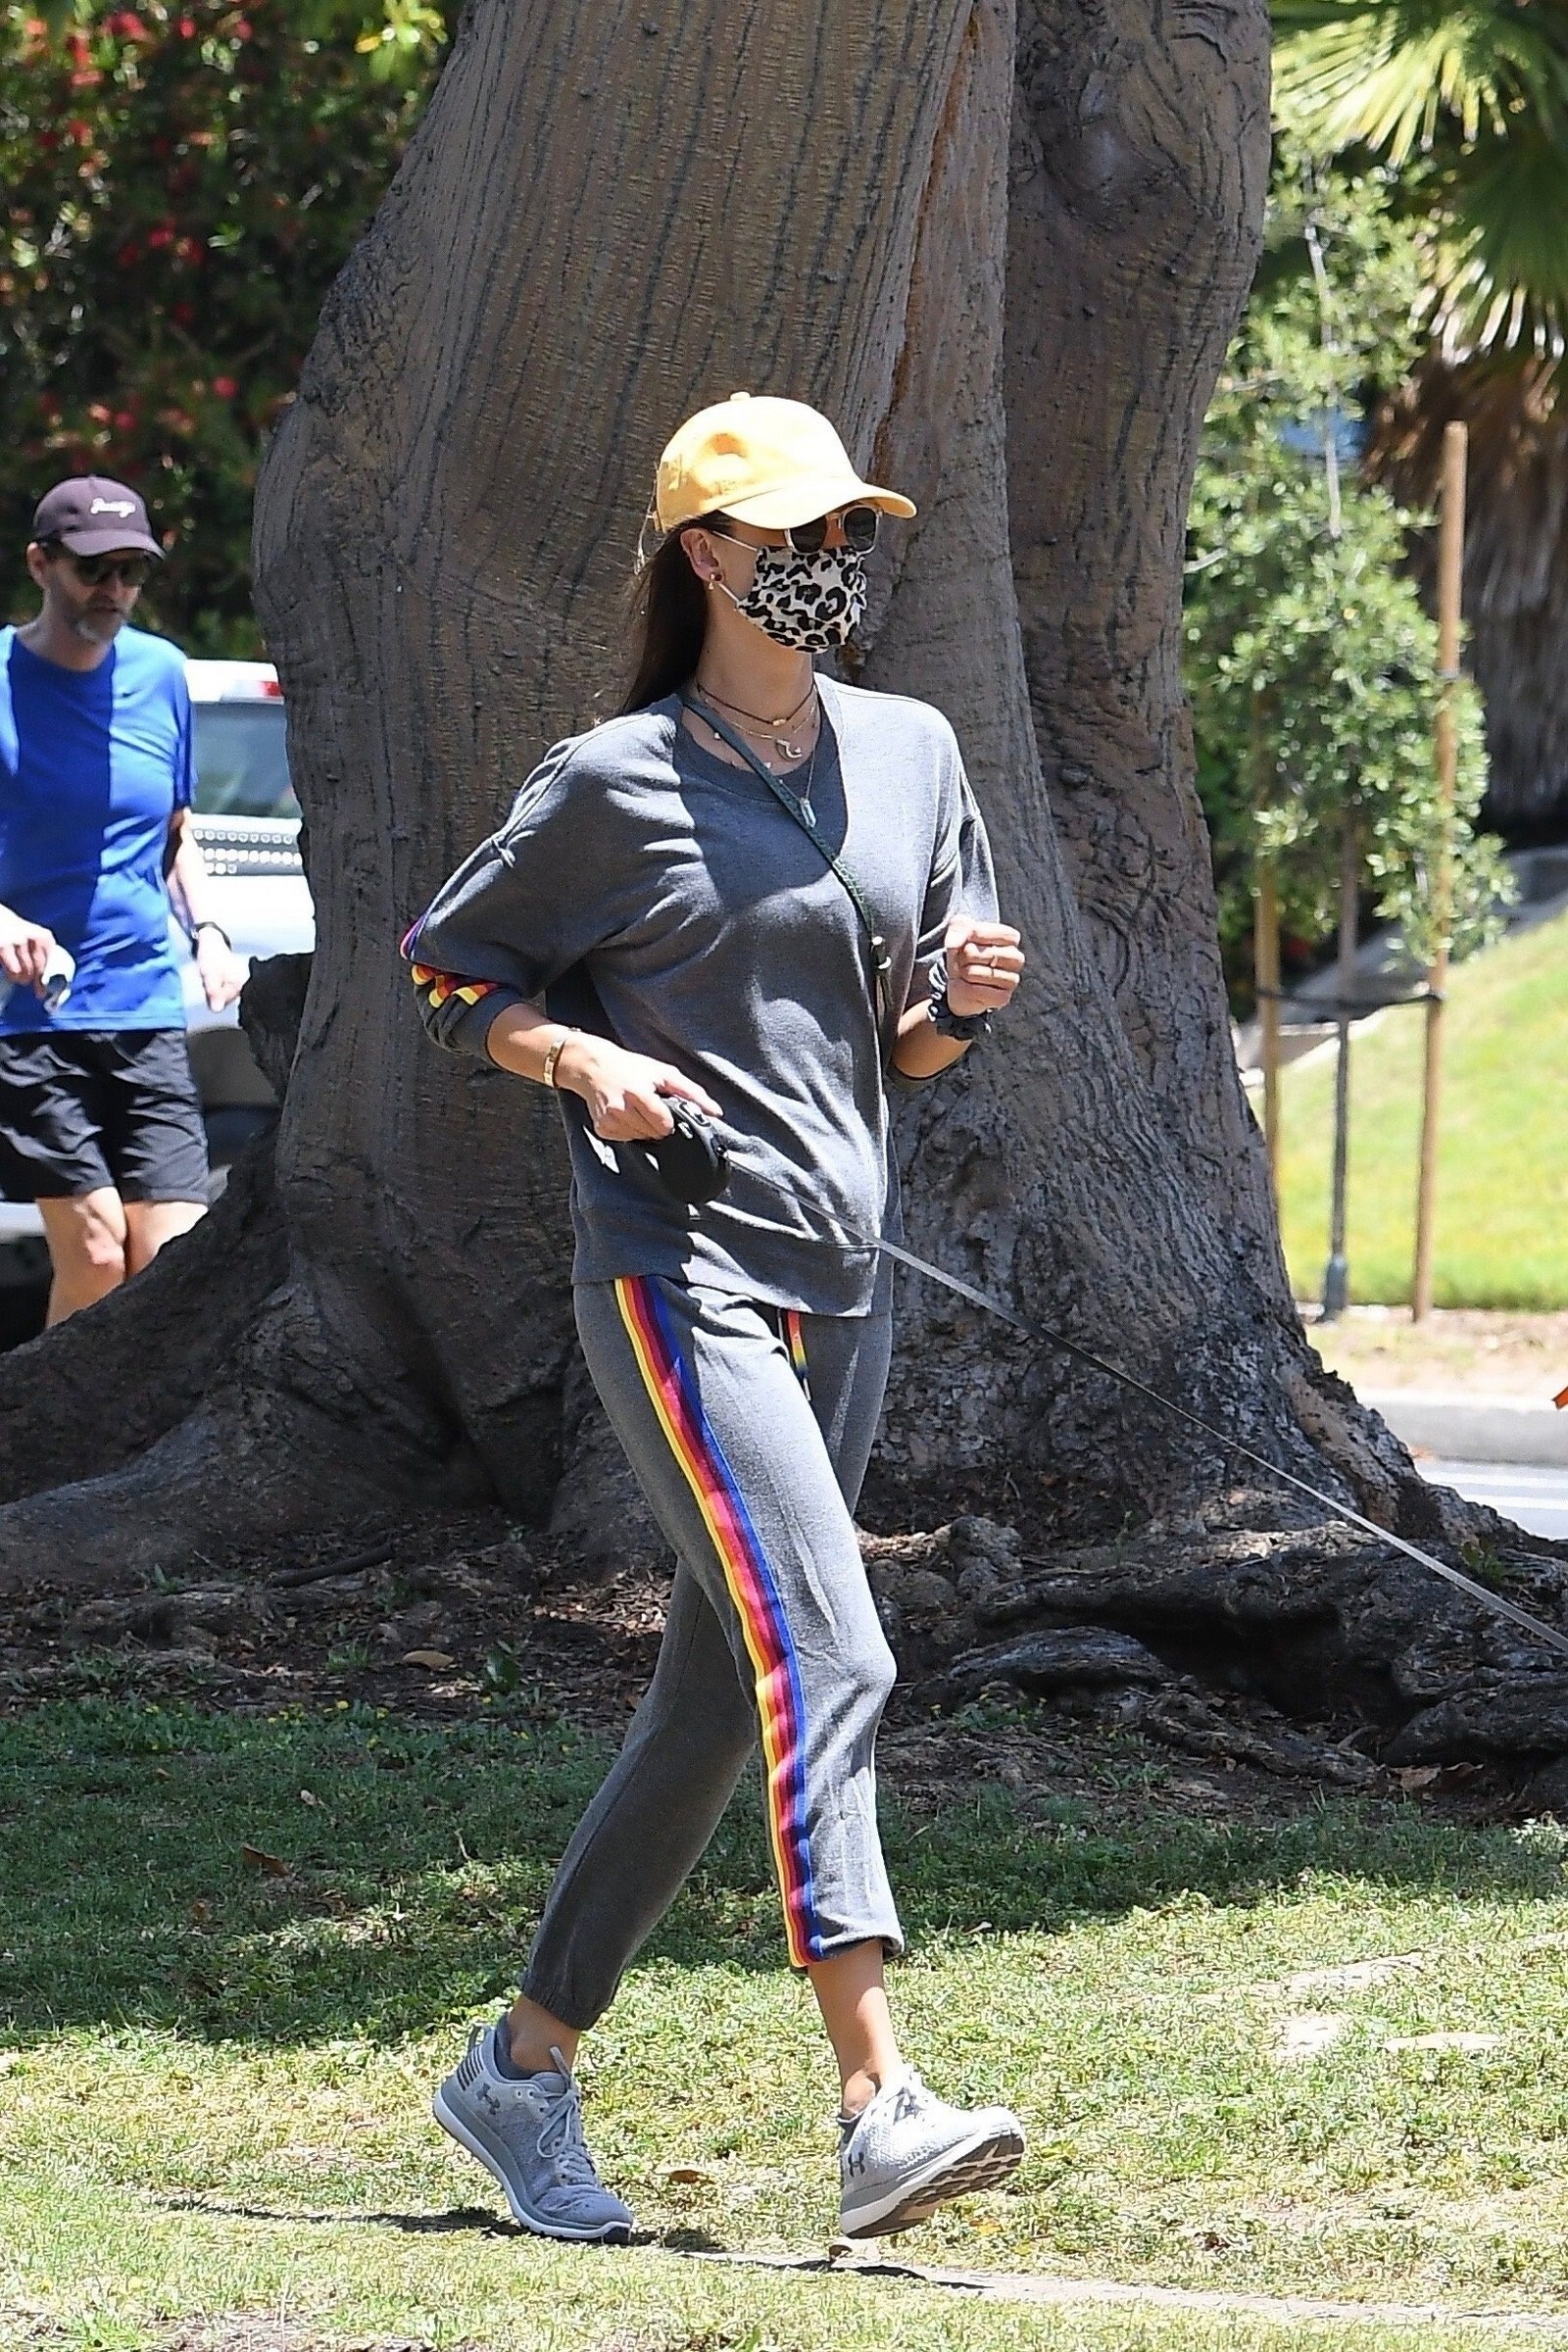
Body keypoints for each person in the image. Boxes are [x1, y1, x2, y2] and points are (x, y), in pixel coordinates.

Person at [405, 393, 1028, 2245]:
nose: (837, 563)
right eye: (799, 537)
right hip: (682, 1280)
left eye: (850, 533)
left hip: (848, 1285)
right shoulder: (612, 781)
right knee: (833, 1651)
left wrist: (962, 1004)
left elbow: (901, 1052)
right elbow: (450, 971)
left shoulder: (912, 750)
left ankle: (518, 2069)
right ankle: (877, 2099)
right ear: (708, 555)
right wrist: (581, 1058)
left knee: (708, 1705)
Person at [0, 475, 248, 1323]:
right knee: (99, 1251)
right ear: (41, 564)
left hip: (144, 1007)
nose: (113, 591)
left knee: (172, 1261)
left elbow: (176, 834)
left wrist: (208, 930)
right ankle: (55, 1412)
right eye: (93, 570)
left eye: (130, 572)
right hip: (29, 1019)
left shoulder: (161, 673)